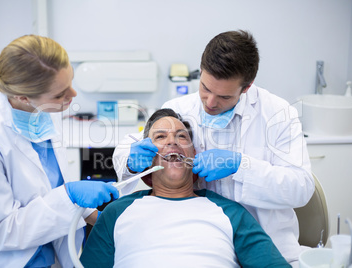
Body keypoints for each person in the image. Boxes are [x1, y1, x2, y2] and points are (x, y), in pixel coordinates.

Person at [112, 30, 314, 265]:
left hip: (266, 244)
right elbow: (131, 145)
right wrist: (130, 160)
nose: (210, 103)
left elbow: (301, 187)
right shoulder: (178, 108)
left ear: (246, 87)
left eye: (224, 97)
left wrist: (241, 166)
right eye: (205, 88)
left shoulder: (278, 114)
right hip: (205, 242)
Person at [0, 35, 119, 268]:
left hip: (48, 251)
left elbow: (50, 189)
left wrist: (104, 218)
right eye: (59, 94)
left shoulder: (42, 115)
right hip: (4, 260)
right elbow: (2, 232)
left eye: (70, 83)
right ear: (23, 97)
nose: (73, 95)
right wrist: (70, 197)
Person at [81, 108, 290, 268]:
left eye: (182, 136)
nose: (172, 141)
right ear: (146, 160)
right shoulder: (116, 212)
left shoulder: (231, 213)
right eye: (161, 137)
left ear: (195, 156)